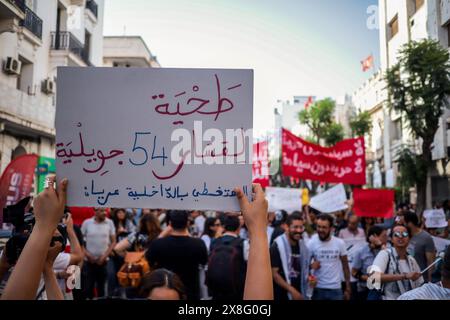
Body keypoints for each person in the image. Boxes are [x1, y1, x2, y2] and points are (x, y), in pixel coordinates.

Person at [146, 210, 208, 300]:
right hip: (190, 291)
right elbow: (203, 262)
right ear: (187, 223)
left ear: (170, 223)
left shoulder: (158, 243)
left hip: (164, 292)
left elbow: (148, 258)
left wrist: (162, 235)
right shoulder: (198, 244)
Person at [371, 225, 424, 300]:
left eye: (405, 234)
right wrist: (404, 276)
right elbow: (373, 277)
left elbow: (420, 283)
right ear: (391, 239)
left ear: (409, 238)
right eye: (396, 234)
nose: (401, 237)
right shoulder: (385, 254)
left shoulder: (411, 260)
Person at [308, 213, 351, 300]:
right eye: (318, 226)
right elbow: (304, 266)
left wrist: (348, 287)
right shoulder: (311, 243)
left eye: (324, 227)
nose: (320, 230)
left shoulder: (340, 243)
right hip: (317, 289)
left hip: (336, 289)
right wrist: (311, 268)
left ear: (331, 228)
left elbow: (345, 266)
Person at [270, 213, 310, 300]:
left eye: (301, 227)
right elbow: (274, 273)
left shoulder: (303, 245)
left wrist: (310, 280)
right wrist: (292, 291)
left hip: (300, 292)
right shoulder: (277, 245)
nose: (299, 230)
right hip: (282, 294)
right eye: (295, 227)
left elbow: (303, 268)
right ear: (286, 227)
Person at [208, 214, 247, 300]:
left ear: (224, 227)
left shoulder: (214, 242)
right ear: (238, 227)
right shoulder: (243, 243)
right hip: (236, 290)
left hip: (216, 289)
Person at [81, 207, 117, 299]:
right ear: (95, 212)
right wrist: (87, 255)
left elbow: (113, 242)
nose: (104, 213)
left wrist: (104, 256)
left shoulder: (110, 223)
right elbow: (80, 241)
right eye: (101, 211)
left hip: (103, 261)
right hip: (89, 261)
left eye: (105, 211)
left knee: (102, 289)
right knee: (88, 288)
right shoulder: (87, 223)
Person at [352, 225, 388, 300]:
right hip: (365, 289)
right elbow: (354, 272)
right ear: (374, 236)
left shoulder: (387, 249)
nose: (387, 238)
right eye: (384, 236)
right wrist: (370, 278)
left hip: (383, 289)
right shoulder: (361, 252)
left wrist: (381, 245)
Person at [403, 212, 436, 282]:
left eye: (404, 223)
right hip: (405, 279)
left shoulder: (426, 238)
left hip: (420, 280)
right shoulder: (404, 236)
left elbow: (431, 262)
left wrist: (430, 284)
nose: (403, 225)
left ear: (410, 223)